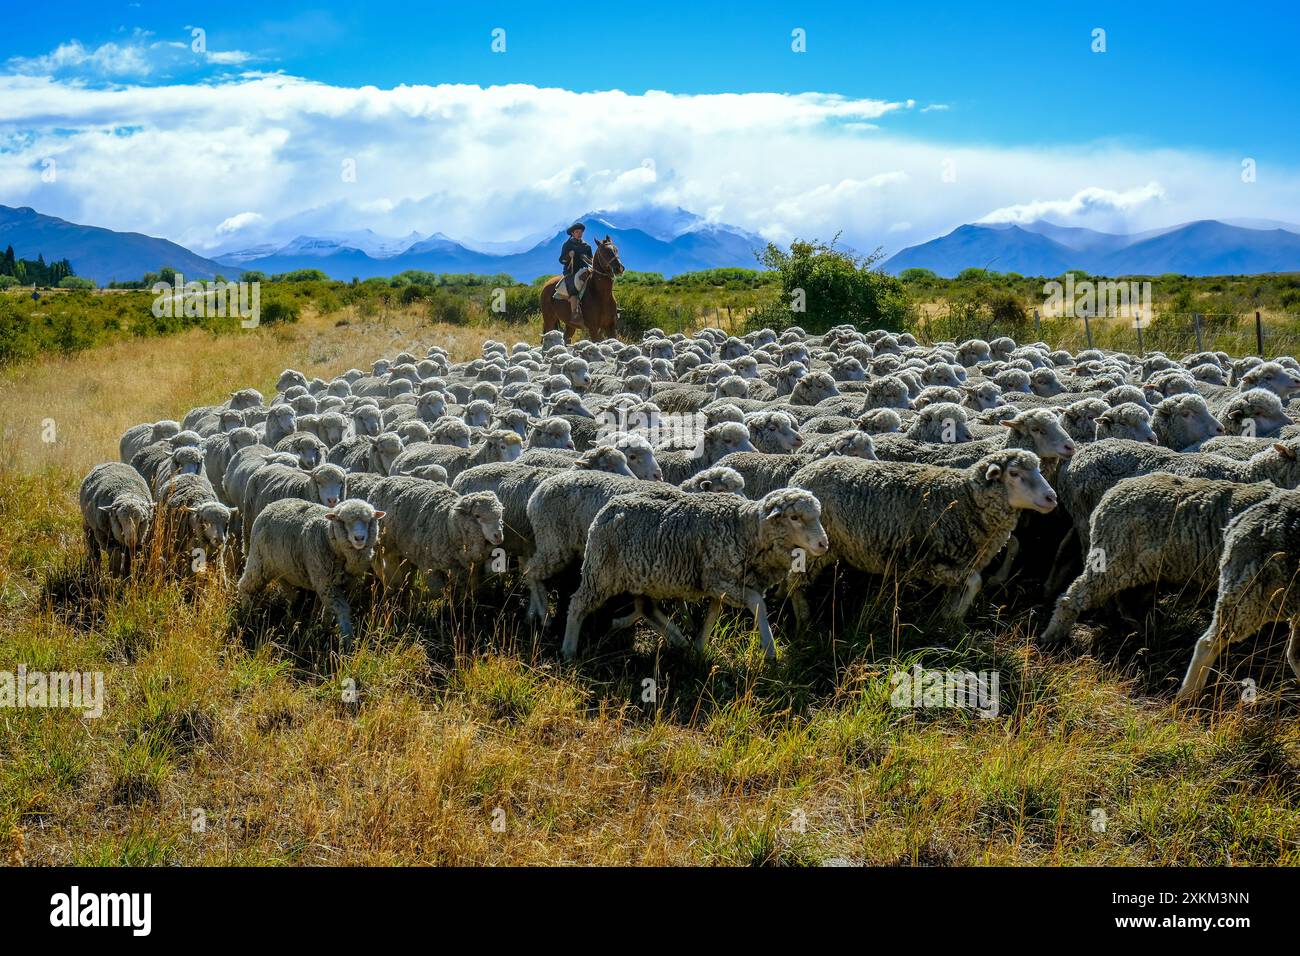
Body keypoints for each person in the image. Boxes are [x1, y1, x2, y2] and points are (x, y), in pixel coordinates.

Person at [554, 222, 593, 325]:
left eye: (581, 232)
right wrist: (568, 255)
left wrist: (587, 260)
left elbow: (591, 260)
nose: (579, 234)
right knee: (573, 288)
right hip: (571, 272)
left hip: (585, 271)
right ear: (572, 233)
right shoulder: (567, 245)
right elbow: (561, 260)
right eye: (577, 232)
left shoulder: (587, 246)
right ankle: (574, 314)